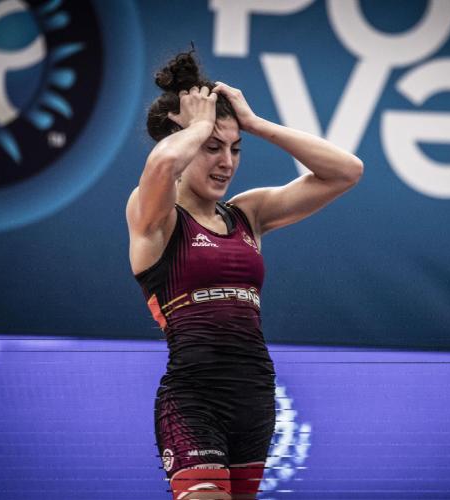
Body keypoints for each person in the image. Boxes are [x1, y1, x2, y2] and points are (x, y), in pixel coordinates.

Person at [126, 50, 363, 500]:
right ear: (184, 140)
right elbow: (160, 167)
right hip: (193, 400)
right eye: (212, 147)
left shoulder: (247, 214)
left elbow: (346, 172)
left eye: (235, 149)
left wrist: (254, 124)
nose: (227, 163)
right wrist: (197, 127)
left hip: (254, 399)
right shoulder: (155, 216)